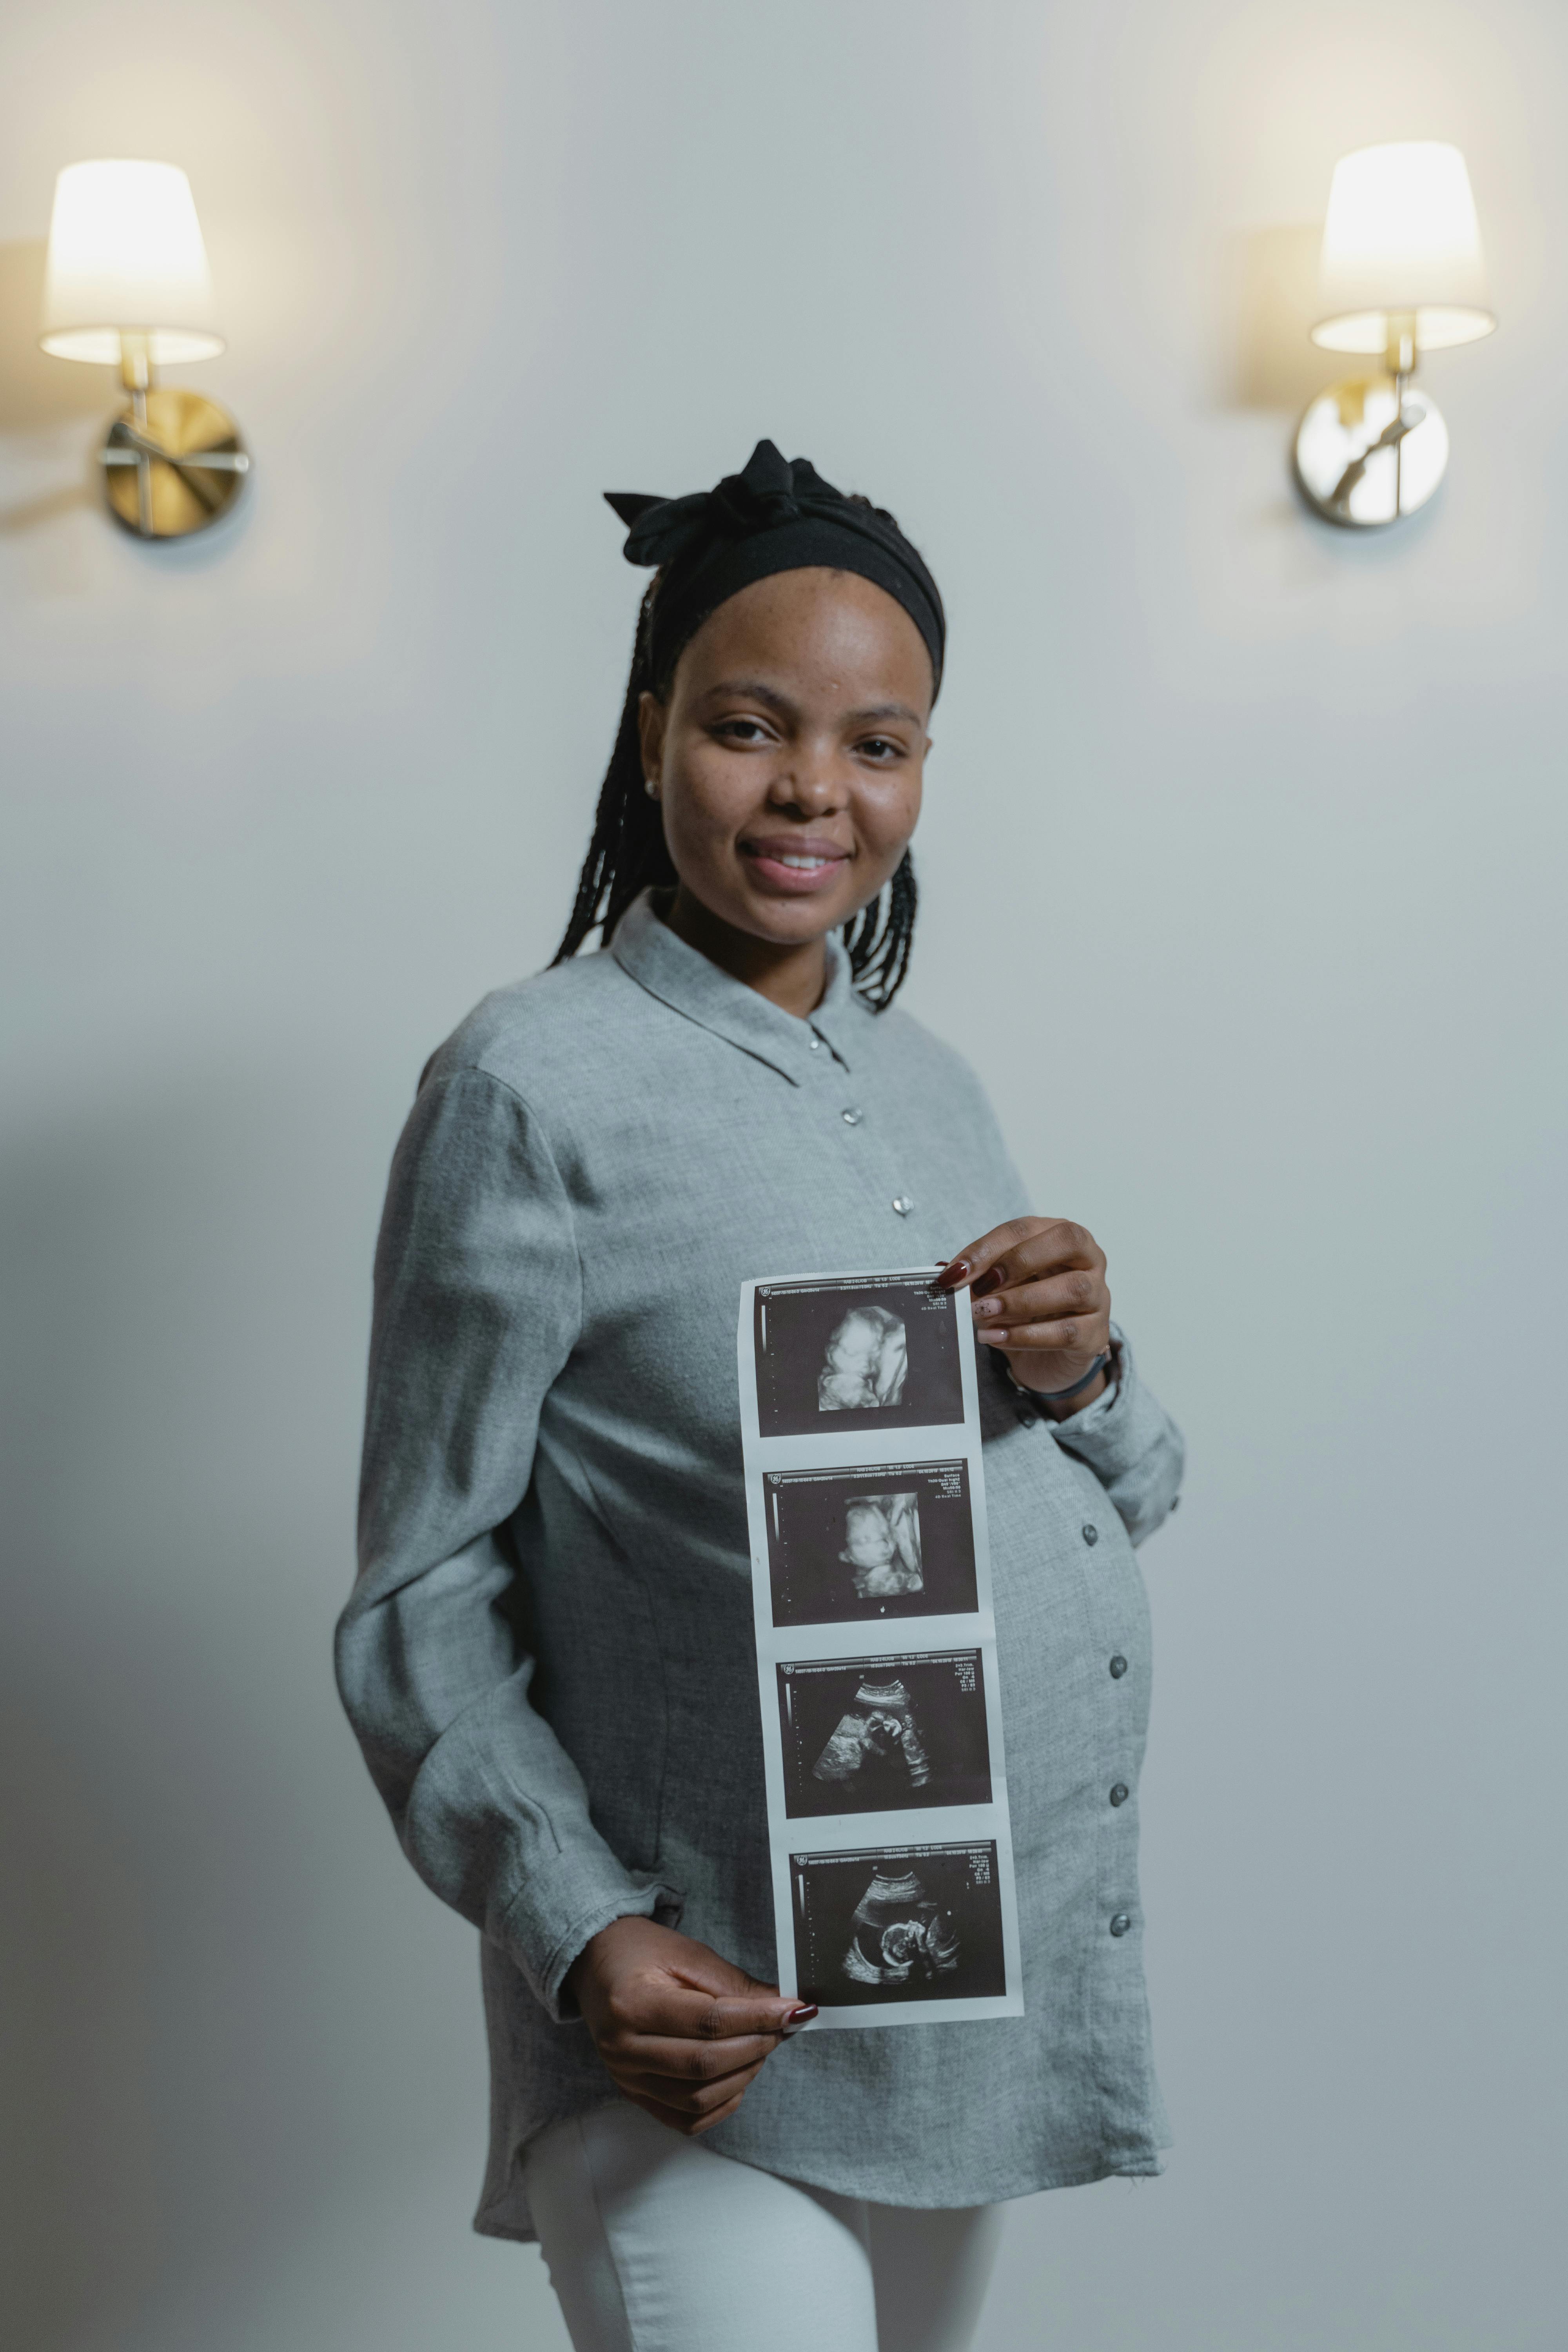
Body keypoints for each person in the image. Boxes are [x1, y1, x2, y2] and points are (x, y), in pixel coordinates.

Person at [336, 440, 1184, 2352]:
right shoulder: (529, 1087)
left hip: (951, 2017)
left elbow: (1122, 1484)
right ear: (651, 742)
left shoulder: (933, 1084)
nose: (817, 790)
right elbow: (419, 1595)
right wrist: (575, 1925)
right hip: (701, 2034)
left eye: (879, 745)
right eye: (750, 726)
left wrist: (1085, 1370)